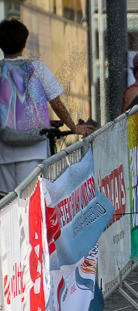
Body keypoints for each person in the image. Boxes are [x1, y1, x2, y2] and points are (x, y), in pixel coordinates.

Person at [0, 18, 94, 195]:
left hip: (3, 150)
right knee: (30, 200)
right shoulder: (37, 68)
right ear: (24, 42)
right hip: (33, 149)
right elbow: (56, 103)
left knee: (5, 204)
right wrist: (73, 127)